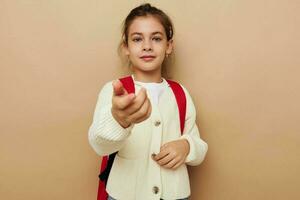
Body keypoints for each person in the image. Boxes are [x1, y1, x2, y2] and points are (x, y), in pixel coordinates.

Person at [88, 3, 208, 200]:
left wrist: (187, 146)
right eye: (137, 39)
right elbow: (99, 145)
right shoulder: (114, 90)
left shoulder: (180, 93)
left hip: (175, 195)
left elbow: (199, 146)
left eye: (157, 38)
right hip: (124, 195)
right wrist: (118, 121)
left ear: (169, 46)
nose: (147, 46)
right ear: (126, 47)